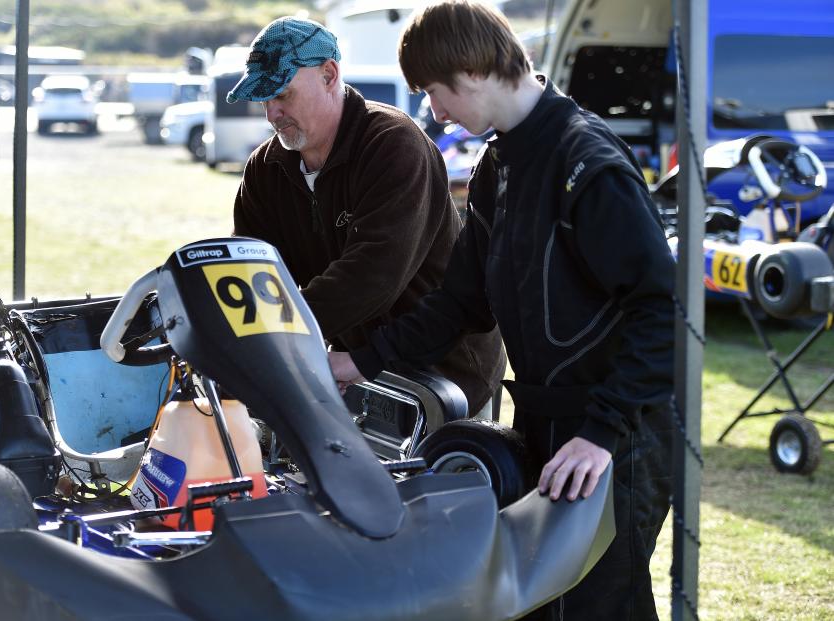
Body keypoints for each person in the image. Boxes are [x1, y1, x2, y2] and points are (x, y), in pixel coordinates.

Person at [330, 2, 674, 619]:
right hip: (545, 426)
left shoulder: (586, 164)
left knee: (600, 606)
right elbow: (461, 301)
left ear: (473, 70)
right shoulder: (499, 165)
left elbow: (662, 309)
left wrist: (602, 433)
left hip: (615, 437)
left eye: (434, 93)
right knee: (535, 603)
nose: (434, 112)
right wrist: (356, 361)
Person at [228, 17, 506, 417]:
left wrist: (273, 341)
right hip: (354, 373)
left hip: (446, 377)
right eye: (263, 99)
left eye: (283, 95)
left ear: (329, 75)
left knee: (443, 478)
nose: (273, 113)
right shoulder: (264, 169)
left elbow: (373, 273)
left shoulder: (394, 143)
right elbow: (251, 268)